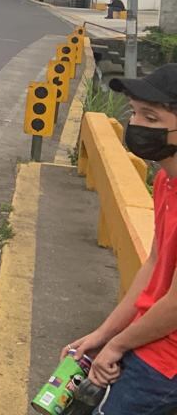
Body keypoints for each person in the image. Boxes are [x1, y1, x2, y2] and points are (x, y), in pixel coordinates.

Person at [62, 64, 177, 412]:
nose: (138, 125)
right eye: (135, 113)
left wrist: (116, 346)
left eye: (152, 119)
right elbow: (155, 266)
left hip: (165, 361)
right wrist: (103, 334)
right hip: (147, 338)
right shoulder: (164, 180)